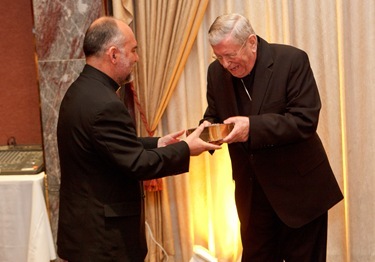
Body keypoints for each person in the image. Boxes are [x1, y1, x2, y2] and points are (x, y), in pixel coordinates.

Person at [56, 16, 221, 262]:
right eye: (133, 51)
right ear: (113, 54)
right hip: (103, 241)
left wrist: (157, 143)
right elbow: (137, 164)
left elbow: (108, 147)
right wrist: (187, 148)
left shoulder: (81, 90)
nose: (136, 58)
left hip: (84, 231)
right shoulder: (105, 104)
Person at [201, 13, 344, 261]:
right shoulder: (215, 73)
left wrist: (252, 128)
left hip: (299, 192)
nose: (225, 64)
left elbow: (304, 120)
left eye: (231, 55)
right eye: (218, 57)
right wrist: (205, 128)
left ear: (252, 42)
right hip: (253, 195)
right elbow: (214, 114)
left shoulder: (291, 61)